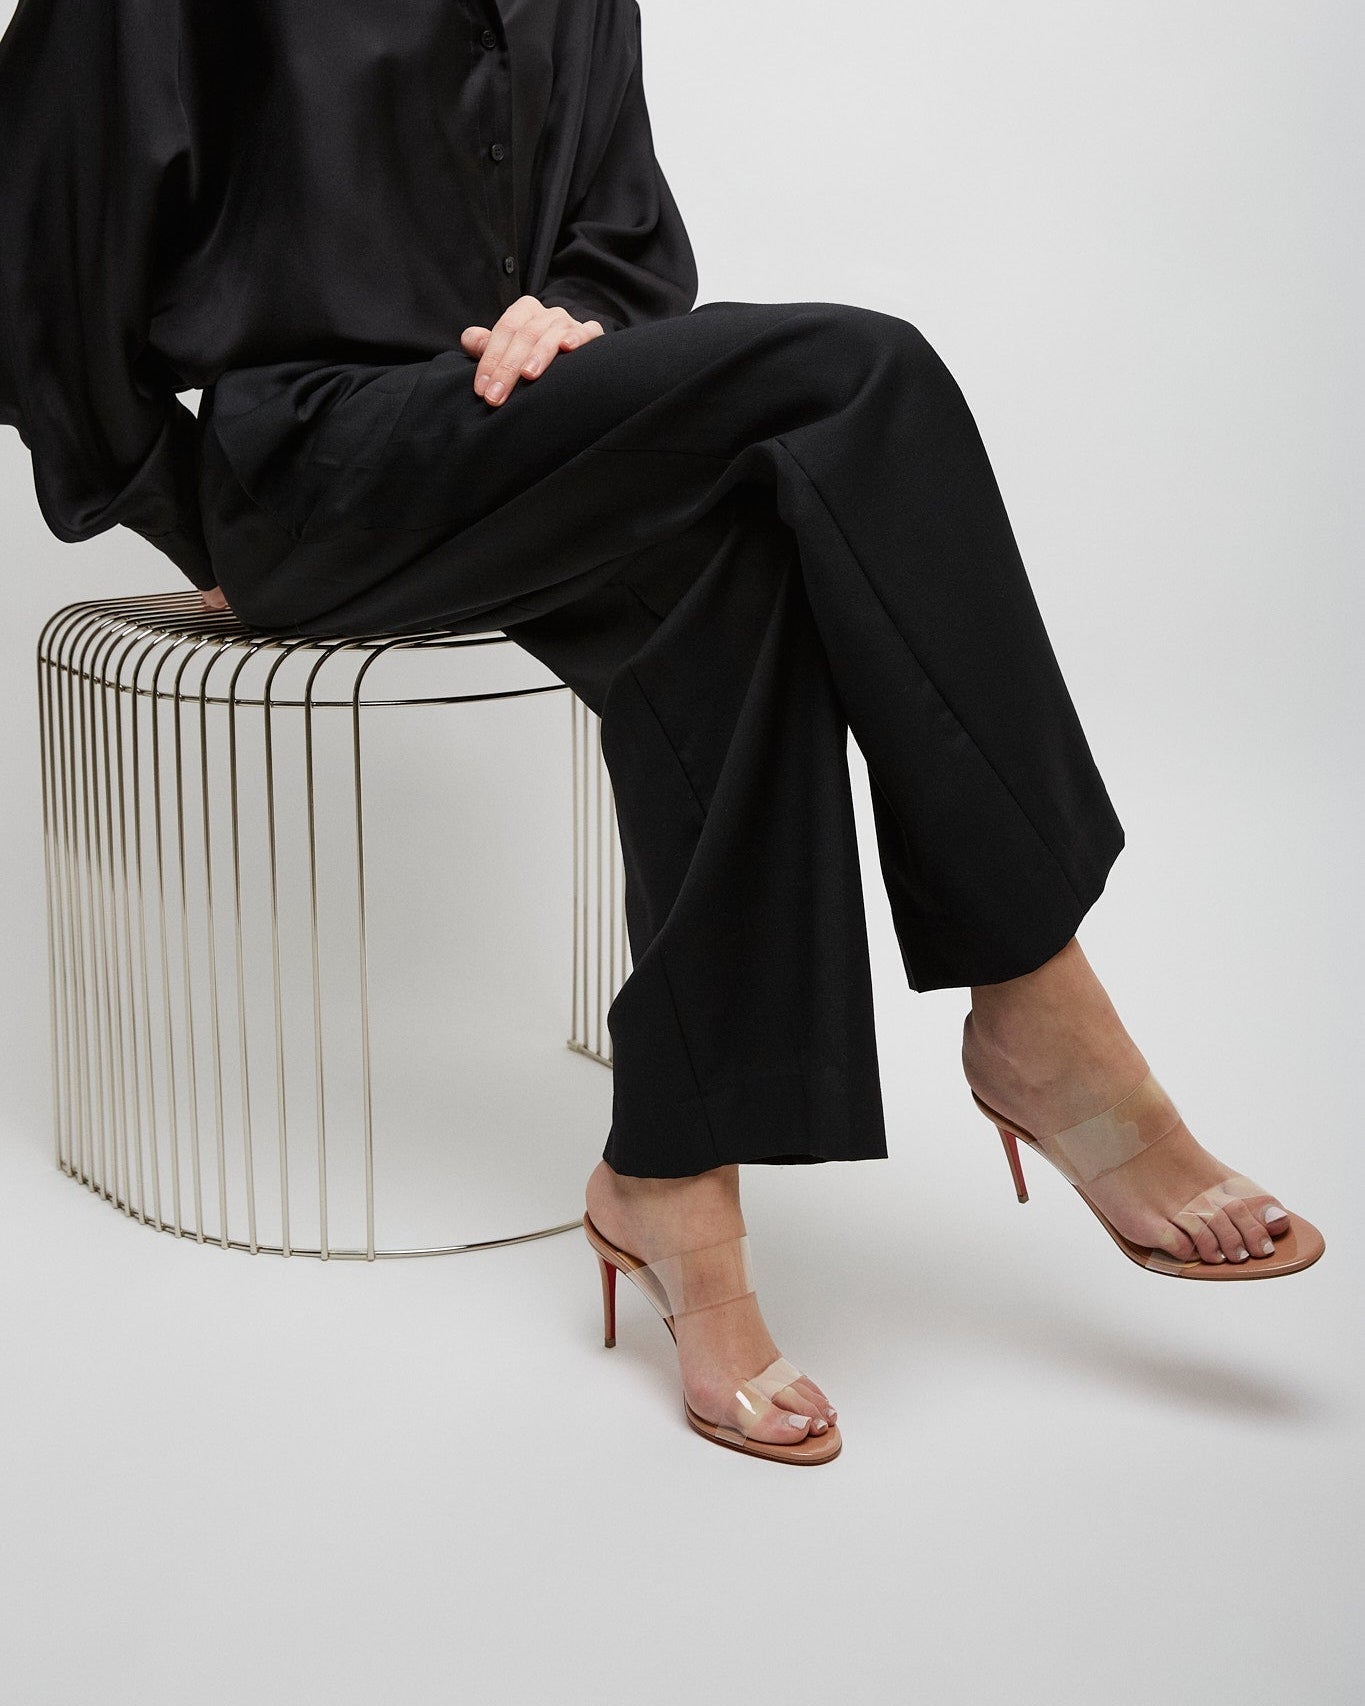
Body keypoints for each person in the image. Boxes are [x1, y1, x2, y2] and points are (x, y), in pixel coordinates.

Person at [0, 0, 1324, 1466]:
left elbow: (620, 243)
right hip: (311, 466)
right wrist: (187, 511)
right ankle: (1034, 998)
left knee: (744, 563)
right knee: (858, 378)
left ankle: (668, 1170)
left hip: (516, 440)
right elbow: (32, 234)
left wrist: (575, 316)